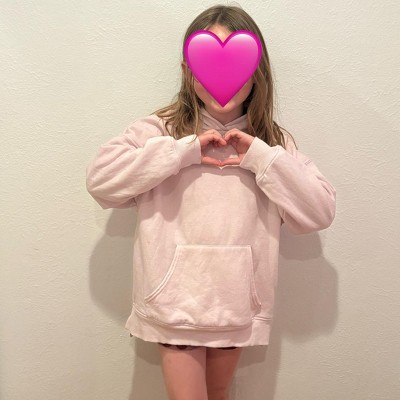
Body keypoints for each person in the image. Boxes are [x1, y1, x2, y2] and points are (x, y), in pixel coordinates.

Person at [86, 5, 336, 400]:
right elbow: (101, 182)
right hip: (174, 302)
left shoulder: (271, 142)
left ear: (256, 71)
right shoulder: (160, 130)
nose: (223, 77)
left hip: (236, 302)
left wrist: (261, 158)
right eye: (207, 63)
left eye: (237, 63)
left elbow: (319, 211)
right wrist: (180, 153)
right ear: (188, 71)